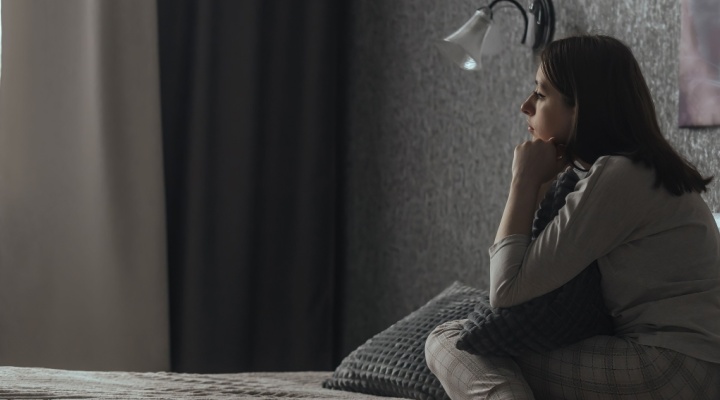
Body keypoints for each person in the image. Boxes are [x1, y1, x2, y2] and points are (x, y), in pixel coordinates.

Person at [425, 34, 720, 399]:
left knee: (453, 339)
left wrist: (524, 181)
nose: (525, 105)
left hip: (669, 367)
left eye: (541, 93)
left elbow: (506, 290)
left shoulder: (618, 176)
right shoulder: (635, 171)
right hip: (692, 365)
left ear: (580, 107)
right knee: (467, 333)